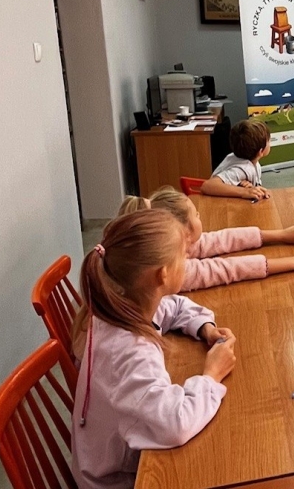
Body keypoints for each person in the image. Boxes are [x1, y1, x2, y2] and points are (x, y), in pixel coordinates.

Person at [70, 209, 237, 489]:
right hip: (115, 482)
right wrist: (211, 375)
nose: (187, 260)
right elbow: (175, 423)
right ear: (163, 274)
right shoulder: (130, 352)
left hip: (104, 459)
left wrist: (204, 327)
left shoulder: (121, 306)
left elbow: (174, 307)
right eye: (183, 256)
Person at [117, 187, 294, 292]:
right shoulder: (169, 268)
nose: (199, 216)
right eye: (195, 215)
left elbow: (222, 239)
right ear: (183, 232)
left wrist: (280, 235)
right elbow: (228, 269)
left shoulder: (170, 243)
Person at [201, 120, 271, 201]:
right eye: (269, 140)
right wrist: (244, 191)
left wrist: (253, 189)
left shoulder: (246, 161)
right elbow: (207, 186)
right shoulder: (242, 169)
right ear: (261, 151)